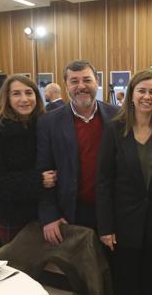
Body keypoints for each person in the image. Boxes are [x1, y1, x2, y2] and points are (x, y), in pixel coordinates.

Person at [97, 70, 152, 295]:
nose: (147, 96)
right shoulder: (114, 130)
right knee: (125, 287)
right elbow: (104, 181)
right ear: (131, 95)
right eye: (141, 90)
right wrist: (105, 226)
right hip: (123, 226)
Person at [37, 60, 119, 244]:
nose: (81, 86)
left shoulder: (118, 116)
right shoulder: (48, 123)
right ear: (66, 85)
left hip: (112, 211)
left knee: (114, 269)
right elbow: (43, 172)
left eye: (87, 80)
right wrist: (49, 216)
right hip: (70, 214)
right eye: (74, 81)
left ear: (97, 82)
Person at [0, 75, 45, 244]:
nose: (24, 99)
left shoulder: (40, 124)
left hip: (40, 210)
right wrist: (37, 180)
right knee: (19, 263)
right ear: (6, 97)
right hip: (8, 213)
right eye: (16, 94)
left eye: (29, 93)